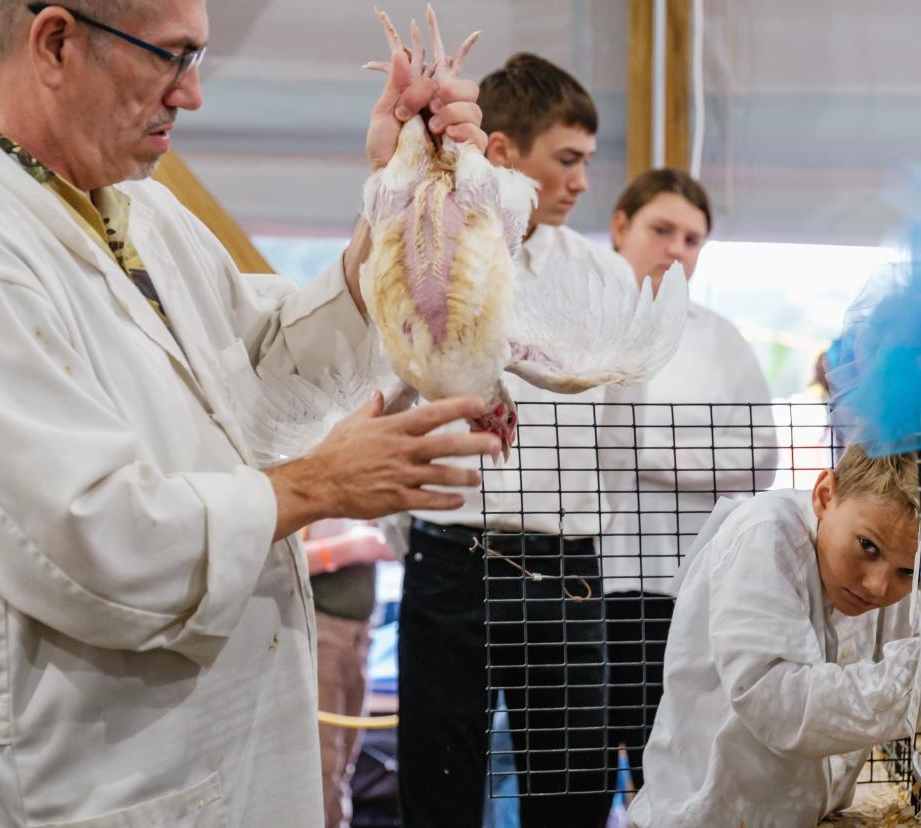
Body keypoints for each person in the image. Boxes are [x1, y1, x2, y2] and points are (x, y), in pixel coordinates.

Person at [0, 2, 496, 825]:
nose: (192, 95)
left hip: (207, 756)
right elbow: (90, 536)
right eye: (171, 58)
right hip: (88, 773)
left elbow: (269, 380)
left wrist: (396, 200)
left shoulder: (137, 207)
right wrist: (315, 487)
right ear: (55, 42)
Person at [395, 52, 632, 828]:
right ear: (501, 153)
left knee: (573, 793)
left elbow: (621, 433)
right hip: (452, 562)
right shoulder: (424, 257)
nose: (582, 182)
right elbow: (384, 398)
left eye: (588, 162)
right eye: (567, 160)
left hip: (565, 567)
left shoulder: (602, 276)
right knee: (440, 789)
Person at [627, 443, 921, 828]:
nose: (878, 587)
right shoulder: (764, 534)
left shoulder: (881, 565)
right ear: (824, 496)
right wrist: (917, 682)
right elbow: (777, 701)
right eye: (867, 546)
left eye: (906, 572)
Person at [599, 167, 775, 793]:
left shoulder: (722, 344)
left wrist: (641, 452)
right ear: (621, 226)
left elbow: (759, 458)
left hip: (677, 588)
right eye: (662, 229)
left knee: (667, 765)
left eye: (693, 239)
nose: (676, 248)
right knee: (573, 771)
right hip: (578, 587)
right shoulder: (579, 325)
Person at [305, 520, 393, 828]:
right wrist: (351, 548)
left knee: (341, 768)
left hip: (361, 634)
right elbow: (280, 562)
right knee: (320, 769)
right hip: (321, 633)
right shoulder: (302, 477)